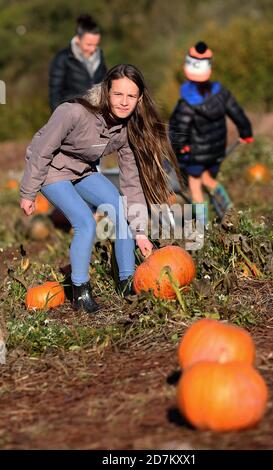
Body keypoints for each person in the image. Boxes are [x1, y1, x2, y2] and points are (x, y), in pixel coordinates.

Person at [20, 64, 180, 315]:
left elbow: (131, 181)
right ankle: (80, 291)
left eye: (131, 96)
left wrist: (140, 232)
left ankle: (127, 283)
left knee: (120, 209)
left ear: (139, 99)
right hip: (51, 170)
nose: (124, 102)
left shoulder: (127, 130)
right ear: (107, 91)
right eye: (118, 94)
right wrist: (28, 193)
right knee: (86, 222)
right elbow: (42, 150)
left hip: (82, 170)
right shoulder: (72, 112)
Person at [169, 41, 254, 221]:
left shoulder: (186, 103)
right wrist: (246, 132)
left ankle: (203, 225)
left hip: (194, 154)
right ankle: (230, 213)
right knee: (208, 180)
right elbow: (237, 112)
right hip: (215, 150)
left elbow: (179, 128)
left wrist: (179, 147)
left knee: (195, 185)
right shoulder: (221, 92)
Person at [49, 14, 107, 112]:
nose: (93, 49)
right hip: (71, 114)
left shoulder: (100, 56)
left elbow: (105, 83)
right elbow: (55, 94)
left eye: (95, 45)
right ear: (78, 39)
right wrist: (60, 117)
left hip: (96, 114)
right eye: (89, 44)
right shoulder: (63, 58)